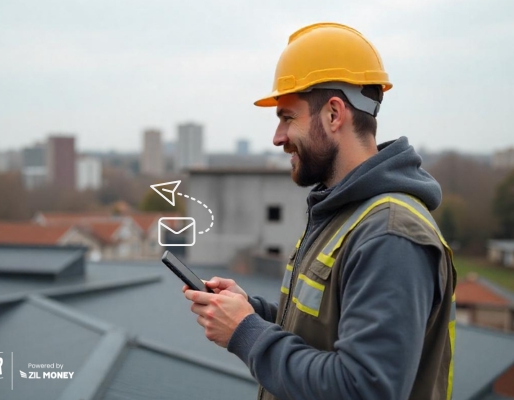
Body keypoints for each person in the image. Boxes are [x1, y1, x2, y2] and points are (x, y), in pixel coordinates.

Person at [183, 22, 457, 400]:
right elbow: (324, 327)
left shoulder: (391, 235)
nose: (278, 138)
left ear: (333, 115)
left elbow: (363, 389)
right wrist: (253, 312)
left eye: (287, 117)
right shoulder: (343, 213)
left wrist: (245, 332)